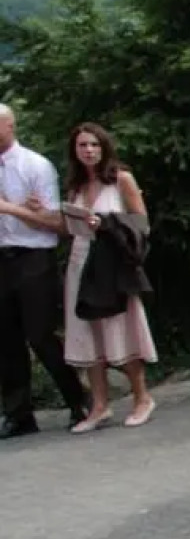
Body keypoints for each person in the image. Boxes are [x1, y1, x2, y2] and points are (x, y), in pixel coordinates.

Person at [53, 123, 158, 432]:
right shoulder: (76, 186)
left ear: (104, 148)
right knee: (87, 332)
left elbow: (142, 223)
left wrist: (108, 223)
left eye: (94, 145)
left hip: (112, 264)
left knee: (119, 328)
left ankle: (142, 398)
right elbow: (68, 228)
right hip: (81, 261)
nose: (89, 151)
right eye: (83, 145)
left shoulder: (121, 180)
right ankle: (100, 405)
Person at [0, 103, 89, 437]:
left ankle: (77, 399)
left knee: (39, 333)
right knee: (6, 338)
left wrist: (12, 210)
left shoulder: (35, 165)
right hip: (1, 258)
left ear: (10, 126)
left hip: (34, 256)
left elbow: (57, 223)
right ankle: (19, 413)